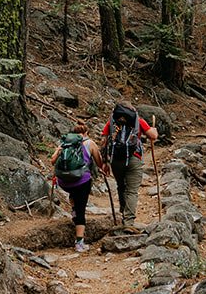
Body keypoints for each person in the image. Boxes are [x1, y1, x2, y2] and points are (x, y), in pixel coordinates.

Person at [100, 101, 158, 229]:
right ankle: (128, 223)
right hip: (134, 158)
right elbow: (153, 136)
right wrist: (154, 130)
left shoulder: (112, 122)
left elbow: (103, 141)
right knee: (132, 191)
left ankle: (122, 213)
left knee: (121, 186)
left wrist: (104, 162)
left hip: (116, 160)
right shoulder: (137, 120)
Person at [50, 123, 102, 253]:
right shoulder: (89, 143)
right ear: (86, 133)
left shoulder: (65, 143)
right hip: (81, 180)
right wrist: (102, 167)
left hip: (64, 182)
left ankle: (73, 209)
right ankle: (79, 243)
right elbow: (99, 161)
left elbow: (52, 161)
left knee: (73, 193)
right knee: (81, 211)